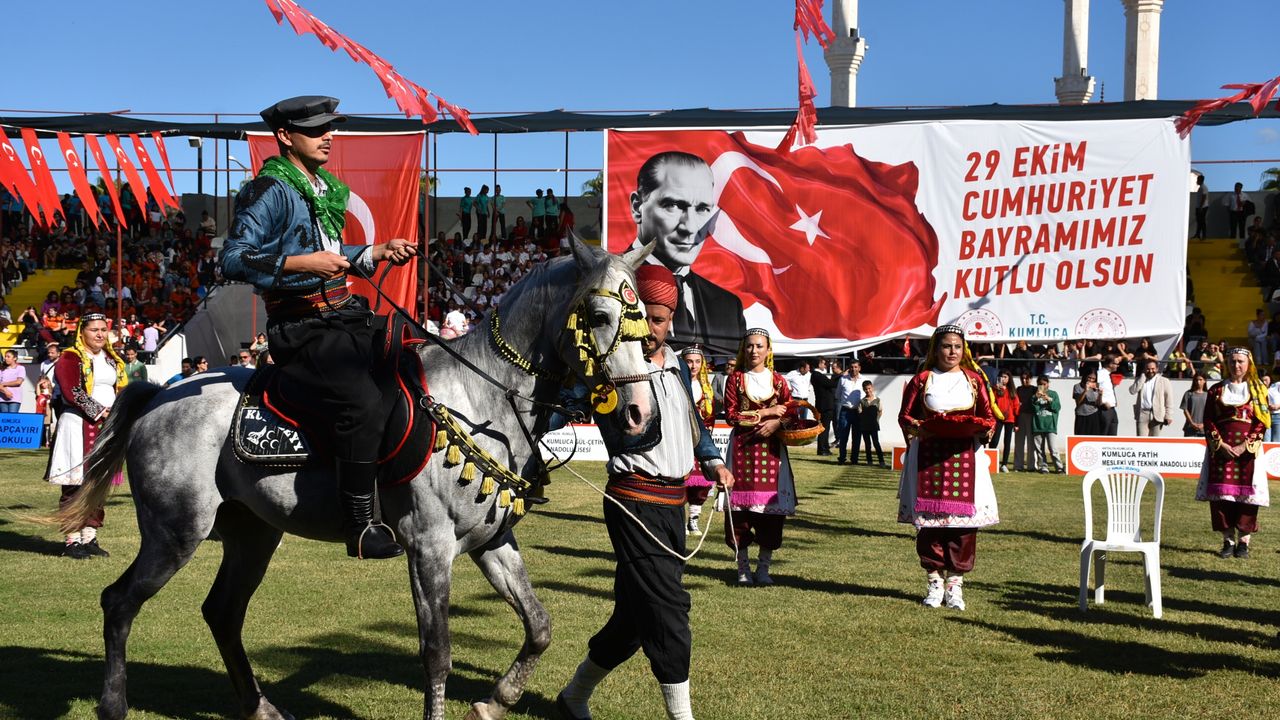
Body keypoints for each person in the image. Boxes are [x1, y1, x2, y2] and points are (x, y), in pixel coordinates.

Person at [218, 95, 416, 560]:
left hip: (343, 315)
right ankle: (359, 525)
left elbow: (331, 252)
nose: (328, 136)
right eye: (315, 130)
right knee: (361, 402)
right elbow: (232, 259)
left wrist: (376, 252)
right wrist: (303, 263)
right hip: (301, 327)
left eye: (330, 128)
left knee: (412, 360)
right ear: (285, 136)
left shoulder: (321, 187)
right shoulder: (270, 189)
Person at [555, 263, 733, 720]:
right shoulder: (611, 367)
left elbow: (692, 424)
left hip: (673, 504)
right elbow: (562, 405)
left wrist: (713, 461)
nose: (650, 329)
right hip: (633, 500)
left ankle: (573, 697)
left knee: (634, 620)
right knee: (668, 608)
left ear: (671, 320)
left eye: (659, 319)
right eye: (643, 318)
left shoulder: (677, 365)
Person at [898, 325, 999, 611]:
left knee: (962, 527)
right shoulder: (922, 380)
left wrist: (984, 429)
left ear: (963, 349)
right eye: (946, 346)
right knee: (930, 526)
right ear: (935, 349)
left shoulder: (974, 380)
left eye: (957, 346)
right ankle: (934, 583)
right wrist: (921, 428)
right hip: (928, 457)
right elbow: (905, 416)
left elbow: (988, 417)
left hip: (966, 457)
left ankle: (955, 586)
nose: (952, 351)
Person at [628, 152, 746, 353]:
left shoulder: (729, 306)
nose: (690, 227)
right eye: (673, 205)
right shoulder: (610, 286)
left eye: (702, 209)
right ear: (637, 207)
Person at [46, 314, 127, 558]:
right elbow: (72, 391)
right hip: (77, 424)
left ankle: (89, 537)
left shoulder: (111, 359)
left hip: (107, 426)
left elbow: (120, 389)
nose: (100, 334)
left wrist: (119, 411)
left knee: (98, 483)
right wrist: (101, 411)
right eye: (94, 330)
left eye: (103, 329)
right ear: (82, 332)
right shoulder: (70, 357)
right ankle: (72, 540)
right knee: (75, 483)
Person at [723, 328, 798, 586]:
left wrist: (777, 424)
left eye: (759, 346)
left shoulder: (778, 381)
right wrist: (767, 413)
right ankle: (743, 568)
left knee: (771, 516)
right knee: (739, 516)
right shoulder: (735, 380)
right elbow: (731, 416)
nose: (754, 351)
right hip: (742, 451)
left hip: (772, 453)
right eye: (749, 346)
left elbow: (791, 413)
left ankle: (763, 568)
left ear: (768, 350)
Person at [1196, 347, 1270, 559]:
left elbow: (1262, 422)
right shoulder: (1216, 390)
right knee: (1222, 497)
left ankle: (1244, 542)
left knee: (1248, 497)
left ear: (1249, 364)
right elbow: (1208, 419)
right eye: (1232, 361)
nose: (1236, 365)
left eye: (1240, 361)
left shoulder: (1258, 390)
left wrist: (1245, 446)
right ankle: (1228, 540)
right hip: (1221, 451)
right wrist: (1220, 444)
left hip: (1249, 452)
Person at [680, 344, 716, 535]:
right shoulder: (677, 384)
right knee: (680, 480)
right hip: (681, 439)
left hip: (699, 440)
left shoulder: (706, 388)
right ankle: (679, 519)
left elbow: (711, 415)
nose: (693, 366)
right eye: (689, 362)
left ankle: (693, 519)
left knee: (700, 483)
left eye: (697, 362)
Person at [1127, 358, 1175, 437]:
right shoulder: (1140, 379)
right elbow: (1132, 391)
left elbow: (1169, 400)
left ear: (1157, 369)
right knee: (1141, 440)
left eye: (1153, 369)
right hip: (1142, 413)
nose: (1150, 371)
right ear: (1144, 369)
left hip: (1157, 414)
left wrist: (1168, 415)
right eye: (1148, 369)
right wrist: (1142, 378)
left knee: (1154, 441)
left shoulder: (1164, 381)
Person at [1030, 375, 1064, 473]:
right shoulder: (1034, 396)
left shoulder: (1053, 394)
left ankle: (1059, 467)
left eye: (1044, 384)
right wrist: (1036, 398)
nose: (1042, 386)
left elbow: (1057, 408)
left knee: (1053, 448)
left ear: (1048, 384)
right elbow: (1033, 409)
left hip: (1050, 426)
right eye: (1040, 384)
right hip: (1038, 425)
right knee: (1039, 449)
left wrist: (1049, 399)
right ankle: (1043, 467)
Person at [989, 370, 1019, 472]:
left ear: (1009, 379)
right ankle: (991, 462)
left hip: (1010, 419)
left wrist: (1017, 423)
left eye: (1005, 377)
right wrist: (994, 389)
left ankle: (1004, 464)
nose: (1003, 379)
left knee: (1007, 441)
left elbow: (1016, 406)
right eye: (1001, 377)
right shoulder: (995, 389)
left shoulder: (1012, 391)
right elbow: (991, 402)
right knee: (995, 440)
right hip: (998, 418)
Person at [835, 361, 864, 464]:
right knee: (843, 436)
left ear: (859, 368)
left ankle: (854, 459)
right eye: (851, 367)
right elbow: (838, 395)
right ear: (849, 368)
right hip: (845, 411)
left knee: (857, 437)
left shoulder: (864, 380)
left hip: (858, 412)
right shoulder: (843, 379)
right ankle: (842, 458)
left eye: (856, 367)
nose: (853, 369)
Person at [809, 358, 838, 456]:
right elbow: (831, 384)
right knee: (824, 428)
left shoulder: (816, 375)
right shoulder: (817, 375)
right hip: (825, 405)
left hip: (824, 404)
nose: (825, 365)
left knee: (825, 428)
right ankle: (822, 449)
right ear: (819, 364)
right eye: (823, 363)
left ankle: (825, 448)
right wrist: (840, 375)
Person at [857, 380, 886, 467]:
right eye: (866, 389)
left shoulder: (877, 400)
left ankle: (881, 461)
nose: (868, 390)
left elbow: (880, 411)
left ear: (872, 388)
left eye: (869, 388)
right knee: (867, 444)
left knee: (876, 443)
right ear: (863, 389)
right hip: (864, 426)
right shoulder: (862, 401)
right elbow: (859, 412)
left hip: (874, 426)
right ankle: (869, 461)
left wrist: (876, 420)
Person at [1013, 372, 1037, 470]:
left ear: (1031, 379)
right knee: (1019, 442)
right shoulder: (1018, 389)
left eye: (1026, 378)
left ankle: (1032, 466)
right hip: (1020, 417)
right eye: (1022, 378)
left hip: (1031, 416)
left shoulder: (1035, 389)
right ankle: (1018, 465)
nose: (1024, 380)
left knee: (1031, 442)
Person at [1096, 354, 1121, 435]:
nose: (1117, 366)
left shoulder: (1107, 375)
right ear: (1110, 364)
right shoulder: (1101, 374)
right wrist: (1103, 402)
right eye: (1116, 364)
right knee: (1104, 433)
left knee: (1112, 434)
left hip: (1112, 408)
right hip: (1104, 408)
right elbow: (1094, 387)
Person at [1182, 373, 1209, 437]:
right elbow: (1185, 409)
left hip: (1205, 429)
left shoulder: (1208, 394)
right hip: (1190, 429)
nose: (1198, 382)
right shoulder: (1188, 393)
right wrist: (1192, 423)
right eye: (1196, 380)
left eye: (1200, 380)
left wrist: (1204, 424)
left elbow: (1211, 411)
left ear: (1204, 381)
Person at [1193, 174, 1208, 241]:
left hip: (1202, 207)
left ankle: (1204, 235)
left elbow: (1204, 197)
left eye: (1198, 180)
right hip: (1199, 206)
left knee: (1202, 221)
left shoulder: (1203, 187)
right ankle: (1197, 234)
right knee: (1199, 221)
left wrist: (1201, 207)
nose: (1197, 181)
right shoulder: (1201, 187)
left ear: (1200, 180)